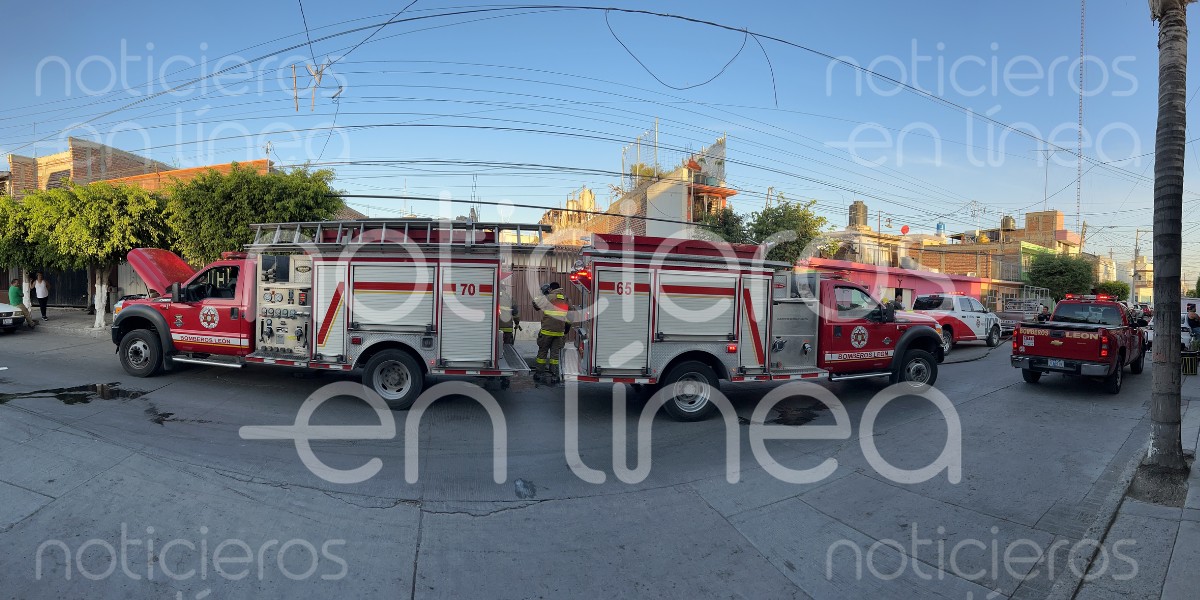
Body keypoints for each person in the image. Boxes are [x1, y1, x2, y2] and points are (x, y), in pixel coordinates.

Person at [532, 282, 570, 384]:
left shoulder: (548, 297)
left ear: (551, 289)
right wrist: (566, 328)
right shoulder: (566, 299)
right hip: (559, 333)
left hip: (547, 331)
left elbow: (535, 305)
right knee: (554, 355)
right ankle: (554, 376)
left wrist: (542, 294)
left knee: (542, 352)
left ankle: (539, 373)